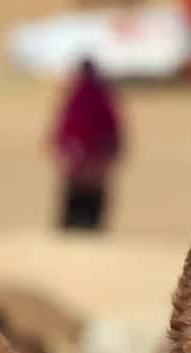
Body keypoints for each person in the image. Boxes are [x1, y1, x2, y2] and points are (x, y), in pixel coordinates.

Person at [51, 59, 123, 232]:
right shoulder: (99, 97)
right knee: (84, 198)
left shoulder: (80, 97)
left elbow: (64, 129)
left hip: (84, 161)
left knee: (81, 199)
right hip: (90, 161)